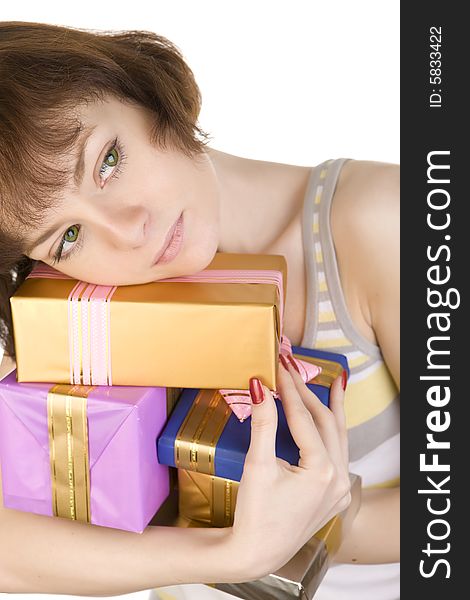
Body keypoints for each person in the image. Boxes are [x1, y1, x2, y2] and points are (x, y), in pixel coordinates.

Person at [0, 20, 399, 600]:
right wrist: (233, 551)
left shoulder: (379, 222)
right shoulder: (68, 307)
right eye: (67, 236)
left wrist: (330, 516)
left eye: (108, 160)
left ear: (145, 91)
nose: (127, 230)